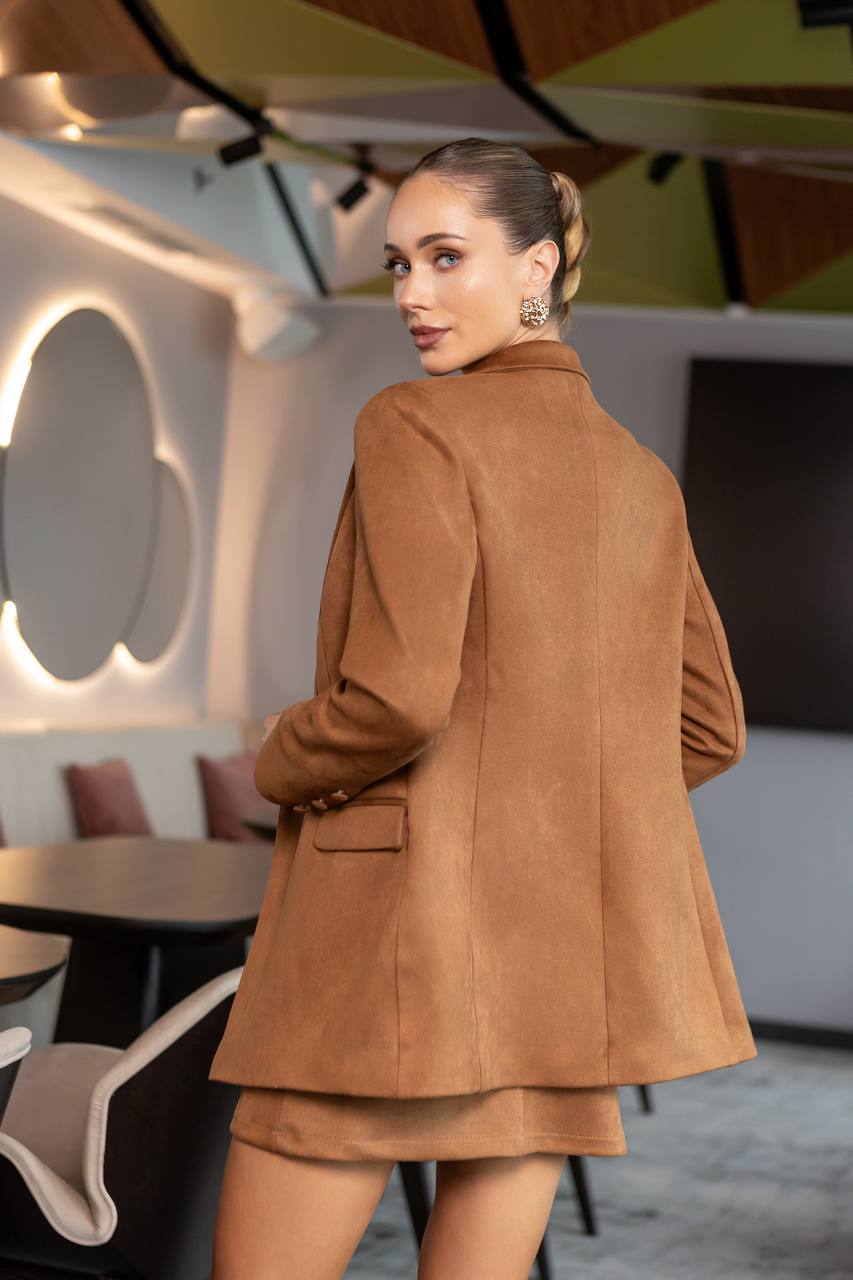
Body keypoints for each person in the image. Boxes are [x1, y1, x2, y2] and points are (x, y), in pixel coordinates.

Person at [209, 137, 755, 1280]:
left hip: (384, 952)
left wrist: (278, 750)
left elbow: (396, 700)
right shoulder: (639, 474)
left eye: (445, 257)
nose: (410, 292)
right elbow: (707, 728)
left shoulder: (415, 423)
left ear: (537, 266)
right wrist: (540, 804)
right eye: (400, 263)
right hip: (555, 960)